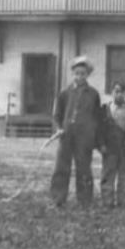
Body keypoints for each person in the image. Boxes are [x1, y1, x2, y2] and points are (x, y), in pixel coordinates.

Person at [50, 56, 102, 209]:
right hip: (66, 135)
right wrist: (59, 127)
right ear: (72, 74)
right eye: (77, 73)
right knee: (61, 167)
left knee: (84, 168)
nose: (79, 77)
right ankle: (58, 199)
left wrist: (94, 137)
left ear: (87, 75)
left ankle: (85, 200)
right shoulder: (64, 93)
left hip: (84, 137)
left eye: (83, 74)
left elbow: (96, 117)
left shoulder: (93, 94)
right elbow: (57, 114)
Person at [97, 80, 125, 209]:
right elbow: (99, 129)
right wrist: (101, 144)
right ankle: (107, 201)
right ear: (111, 92)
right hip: (109, 148)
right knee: (107, 174)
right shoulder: (105, 110)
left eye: (123, 92)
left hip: (124, 148)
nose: (119, 95)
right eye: (117, 91)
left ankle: (123, 201)